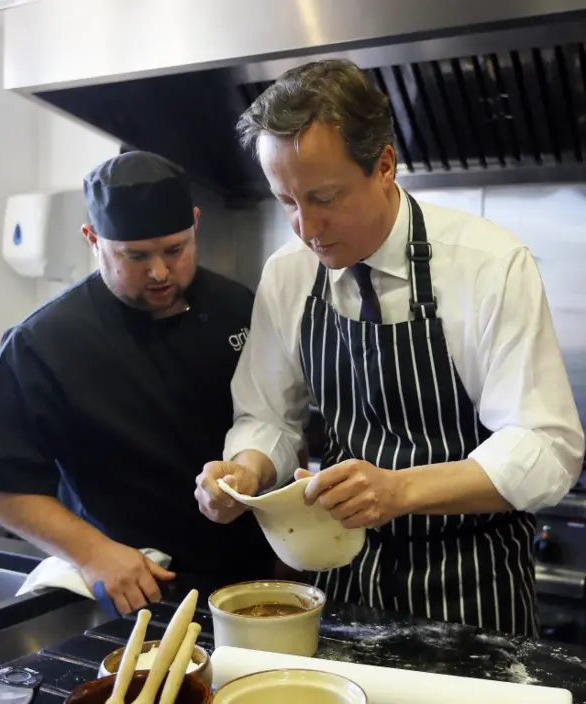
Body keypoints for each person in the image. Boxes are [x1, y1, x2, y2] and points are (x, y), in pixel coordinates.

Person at [195, 60, 585, 637]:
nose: (306, 227)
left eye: (324, 197)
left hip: (471, 587)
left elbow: (547, 447)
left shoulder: (487, 265)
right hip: (341, 579)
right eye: (286, 201)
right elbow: (267, 415)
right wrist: (247, 471)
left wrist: (399, 490)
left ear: (383, 166)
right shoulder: (289, 274)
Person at [0, 150, 275, 614]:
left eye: (175, 249)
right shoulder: (46, 342)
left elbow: (273, 421)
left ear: (196, 224)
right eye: (134, 256)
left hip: (250, 581)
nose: (159, 271)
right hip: (137, 587)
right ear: (92, 239)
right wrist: (93, 553)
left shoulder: (237, 305)